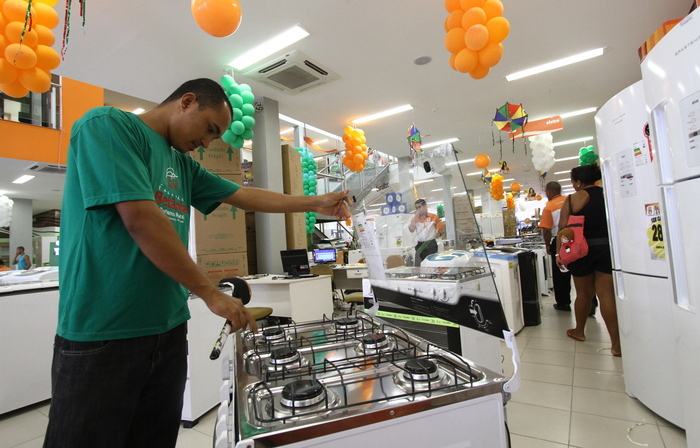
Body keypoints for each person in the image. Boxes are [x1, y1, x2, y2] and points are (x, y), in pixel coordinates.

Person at [43, 78, 352, 448]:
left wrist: (313, 204)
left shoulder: (181, 165)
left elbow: (243, 195)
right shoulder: (109, 126)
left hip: (168, 328)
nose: (207, 143)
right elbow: (140, 219)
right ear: (186, 102)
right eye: (209, 129)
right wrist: (209, 292)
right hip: (104, 330)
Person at [556, 164, 620, 357]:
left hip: (580, 250)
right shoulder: (607, 194)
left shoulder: (573, 198)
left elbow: (563, 229)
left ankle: (579, 331)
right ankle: (616, 345)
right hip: (606, 248)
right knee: (606, 295)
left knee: (583, 293)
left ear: (578, 182)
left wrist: (561, 254)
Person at [539, 182, 598, 315]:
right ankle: (590, 303)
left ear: (548, 192)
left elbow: (547, 229)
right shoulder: (571, 200)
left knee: (560, 272)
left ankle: (563, 303)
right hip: (578, 240)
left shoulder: (549, 207)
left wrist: (548, 244)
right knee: (583, 272)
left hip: (560, 240)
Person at [408, 198, 445, 266]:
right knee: (418, 264)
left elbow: (441, 228)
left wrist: (439, 233)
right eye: (416, 208)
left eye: (419, 207)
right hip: (420, 244)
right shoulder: (415, 219)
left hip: (430, 243)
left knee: (431, 264)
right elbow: (411, 229)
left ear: (425, 207)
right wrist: (415, 218)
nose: (418, 209)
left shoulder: (434, 217)